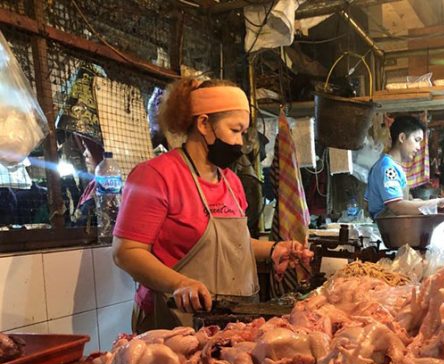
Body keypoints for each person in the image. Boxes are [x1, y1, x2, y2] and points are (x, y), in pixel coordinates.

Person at [113, 78, 312, 333]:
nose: (240, 142)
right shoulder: (155, 176)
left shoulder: (231, 181)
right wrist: (179, 284)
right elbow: (126, 252)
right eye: (235, 130)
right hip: (172, 320)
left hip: (231, 320)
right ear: (204, 124)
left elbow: (231, 244)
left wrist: (274, 250)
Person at [365, 115, 444, 218]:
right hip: (386, 230)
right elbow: (397, 206)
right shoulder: (388, 168)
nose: (419, 147)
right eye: (417, 140)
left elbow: (406, 202)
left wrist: (437, 206)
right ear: (402, 138)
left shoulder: (395, 166)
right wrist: (437, 202)